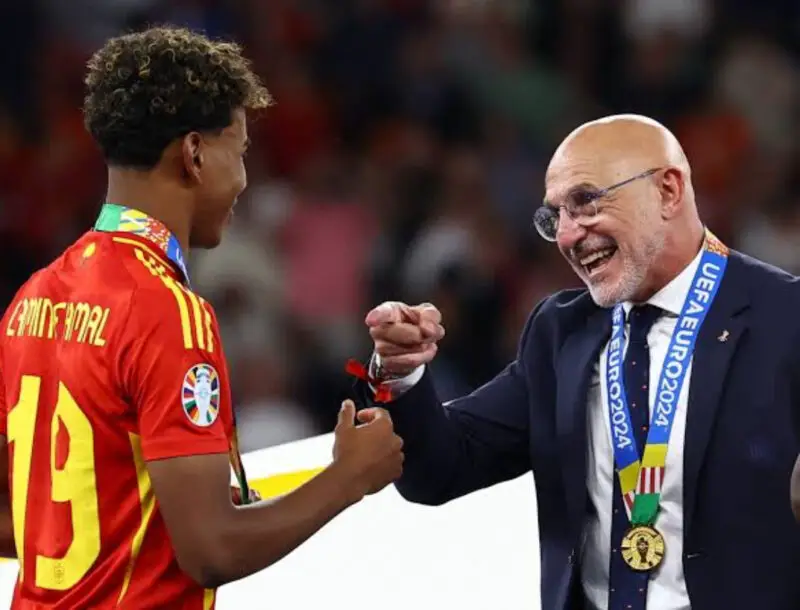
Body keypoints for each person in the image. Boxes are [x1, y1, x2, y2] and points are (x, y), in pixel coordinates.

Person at [0, 26, 403, 609]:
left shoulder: (33, 299)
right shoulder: (166, 311)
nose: (243, 179)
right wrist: (350, 478)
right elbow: (211, 548)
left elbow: (20, 518)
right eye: (239, 152)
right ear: (194, 154)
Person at [355, 114, 800, 610]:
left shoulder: (786, 319)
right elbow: (439, 470)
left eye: (586, 202)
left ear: (668, 191)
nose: (567, 236)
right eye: (555, 216)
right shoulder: (561, 332)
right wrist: (401, 372)